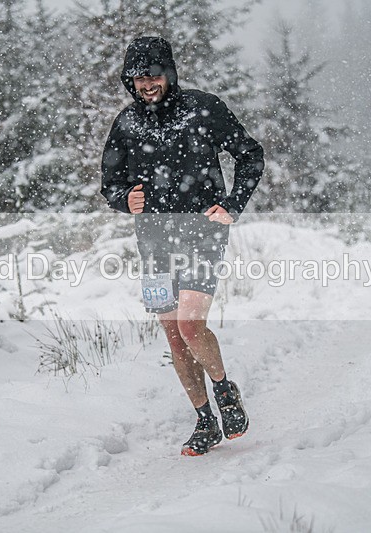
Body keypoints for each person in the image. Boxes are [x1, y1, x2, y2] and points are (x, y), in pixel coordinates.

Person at [100, 36, 264, 456]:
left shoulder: (203, 108)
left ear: (168, 73)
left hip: (202, 234)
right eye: (138, 77)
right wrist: (124, 200)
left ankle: (225, 389)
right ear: (129, 80)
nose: (147, 83)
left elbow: (250, 154)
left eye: (153, 74)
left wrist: (232, 205)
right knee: (174, 336)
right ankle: (205, 420)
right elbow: (111, 185)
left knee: (191, 325)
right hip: (153, 244)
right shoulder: (127, 124)